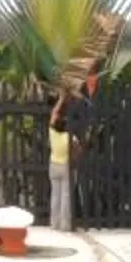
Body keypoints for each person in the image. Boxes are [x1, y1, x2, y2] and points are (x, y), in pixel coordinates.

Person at [46, 94, 76, 232]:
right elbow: (78, 147)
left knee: (55, 195)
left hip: (53, 165)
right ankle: (65, 225)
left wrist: (62, 99)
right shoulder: (69, 136)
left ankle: (54, 223)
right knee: (65, 196)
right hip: (65, 166)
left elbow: (54, 113)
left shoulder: (52, 133)